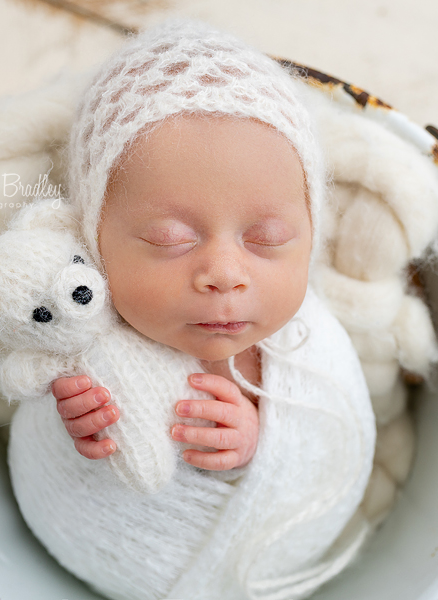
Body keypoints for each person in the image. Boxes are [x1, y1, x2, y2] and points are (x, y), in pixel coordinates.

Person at [19, 19, 375, 600]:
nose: (225, 275)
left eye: (268, 238)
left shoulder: (311, 346)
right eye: (168, 239)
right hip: (94, 545)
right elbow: (38, 401)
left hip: (265, 559)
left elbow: (330, 442)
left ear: (311, 233)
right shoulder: (76, 322)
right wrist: (76, 430)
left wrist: (261, 445)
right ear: (91, 237)